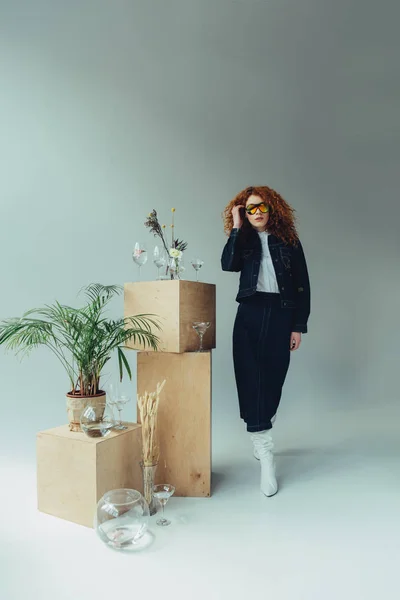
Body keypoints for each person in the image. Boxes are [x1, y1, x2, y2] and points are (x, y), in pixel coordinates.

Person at [221, 185, 311, 497]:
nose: (257, 213)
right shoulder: (242, 240)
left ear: (272, 209)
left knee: (273, 378)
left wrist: (298, 325)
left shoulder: (289, 241)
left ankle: (262, 421)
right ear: (243, 212)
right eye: (250, 209)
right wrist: (236, 227)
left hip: (281, 314)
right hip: (249, 311)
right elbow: (228, 264)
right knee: (249, 378)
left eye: (261, 207)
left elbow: (302, 285)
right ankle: (265, 450)